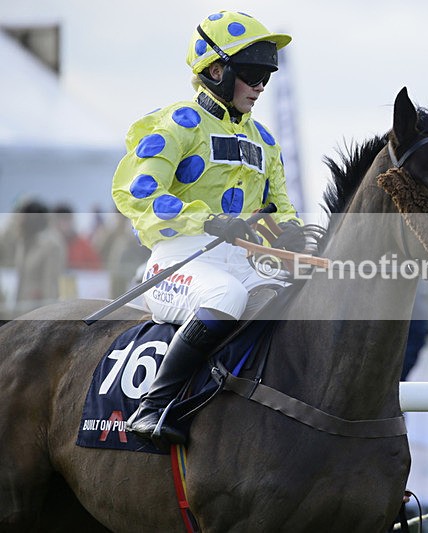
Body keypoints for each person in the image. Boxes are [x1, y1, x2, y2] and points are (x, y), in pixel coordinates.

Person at [112, 10, 304, 447]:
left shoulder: (265, 141)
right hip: (177, 263)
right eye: (253, 73)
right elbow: (140, 191)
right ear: (216, 71)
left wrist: (295, 235)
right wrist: (208, 219)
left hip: (242, 262)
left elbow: (280, 210)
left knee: (295, 297)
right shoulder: (179, 123)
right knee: (226, 296)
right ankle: (153, 406)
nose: (261, 86)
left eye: (267, 76)